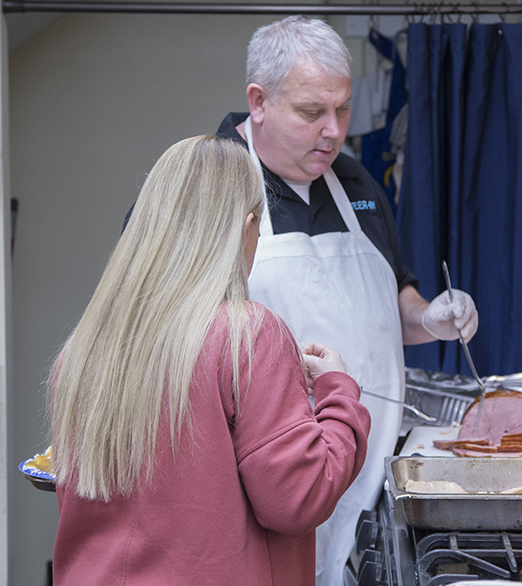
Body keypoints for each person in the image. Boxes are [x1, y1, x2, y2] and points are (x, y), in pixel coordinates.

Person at [215, 15, 479, 586]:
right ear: (258, 102)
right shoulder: (207, 186)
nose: (333, 131)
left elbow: (392, 302)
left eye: (343, 108)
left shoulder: (354, 182)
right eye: (312, 113)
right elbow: (163, 336)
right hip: (261, 492)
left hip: (367, 483)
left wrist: (428, 317)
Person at [49, 135, 371, 586]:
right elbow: (298, 498)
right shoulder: (249, 335)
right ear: (245, 227)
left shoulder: (82, 350)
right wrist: (338, 391)